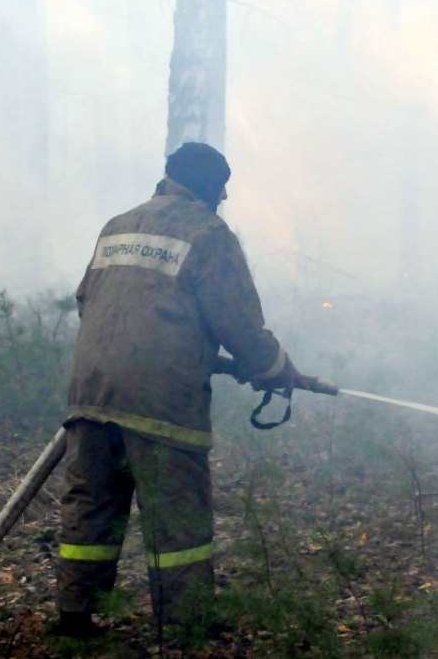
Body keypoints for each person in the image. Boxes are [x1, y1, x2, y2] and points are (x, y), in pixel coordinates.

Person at [54, 142, 305, 638]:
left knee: (91, 506)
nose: (227, 195)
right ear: (208, 185)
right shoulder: (209, 233)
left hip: (92, 394)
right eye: (223, 185)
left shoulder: (118, 225)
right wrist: (275, 368)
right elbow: (238, 324)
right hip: (160, 404)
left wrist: (181, 348)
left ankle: (74, 617)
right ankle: (186, 623)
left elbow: (90, 300)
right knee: (177, 517)